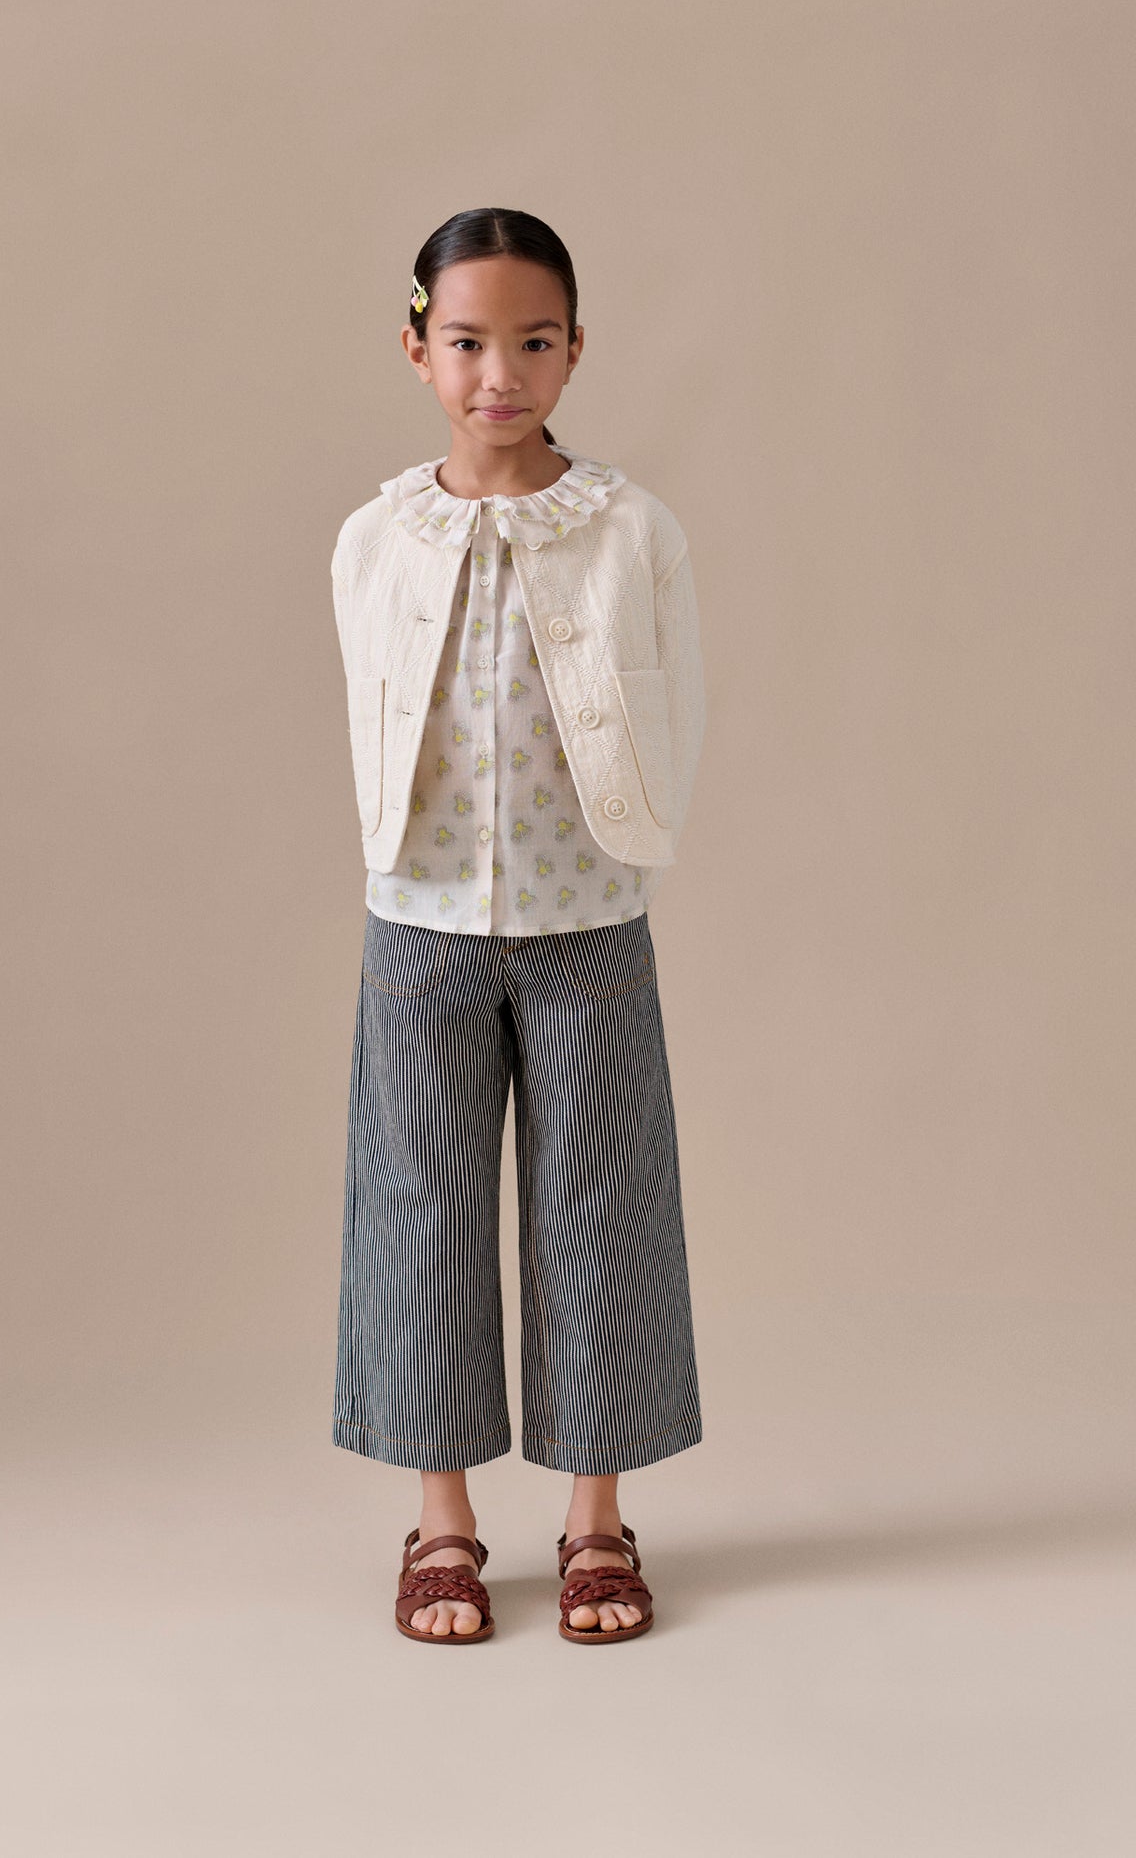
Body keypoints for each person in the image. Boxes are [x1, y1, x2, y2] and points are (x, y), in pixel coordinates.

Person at [328, 207, 707, 1644]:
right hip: (420, 920)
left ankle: (598, 1520)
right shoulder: (378, 536)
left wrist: (639, 842)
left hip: (586, 916)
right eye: (470, 342)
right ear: (417, 348)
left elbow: (678, 702)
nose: (502, 373)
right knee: (420, 1210)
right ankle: (442, 1523)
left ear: (575, 350)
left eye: (534, 342)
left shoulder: (629, 528)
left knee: (600, 1206)